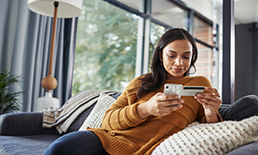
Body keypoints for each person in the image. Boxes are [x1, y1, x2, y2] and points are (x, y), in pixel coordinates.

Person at [43, 28, 223, 155]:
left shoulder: (200, 83)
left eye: (186, 56)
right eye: (172, 55)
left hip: (141, 149)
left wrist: (211, 113)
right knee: (59, 149)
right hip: (104, 139)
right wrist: (145, 109)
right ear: (161, 55)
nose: (179, 63)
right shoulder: (142, 82)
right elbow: (107, 121)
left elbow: (211, 132)